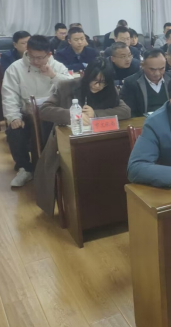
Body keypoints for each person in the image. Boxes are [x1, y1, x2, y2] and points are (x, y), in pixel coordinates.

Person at [36, 59, 131, 214]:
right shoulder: (67, 86)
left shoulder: (109, 89)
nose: (98, 86)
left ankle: (108, 207)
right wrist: (72, 115)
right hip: (66, 145)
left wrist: (96, 114)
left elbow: (125, 111)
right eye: (95, 80)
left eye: (103, 82)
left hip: (100, 143)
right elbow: (44, 110)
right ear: (87, 76)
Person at [2, 35, 71, 187]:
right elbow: (9, 95)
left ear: (49, 54)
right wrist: (13, 117)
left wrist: (53, 76)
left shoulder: (57, 66)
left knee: (50, 127)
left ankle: (49, 167)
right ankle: (25, 169)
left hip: (51, 115)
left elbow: (70, 88)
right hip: (26, 114)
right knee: (14, 131)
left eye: (40, 58)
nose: (36, 61)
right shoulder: (15, 68)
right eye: (32, 57)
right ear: (27, 51)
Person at [120, 49, 171, 117]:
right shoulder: (131, 83)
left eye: (161, 69)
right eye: (152, 69)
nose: (157, 73)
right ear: (142, 65)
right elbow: (129, 111)